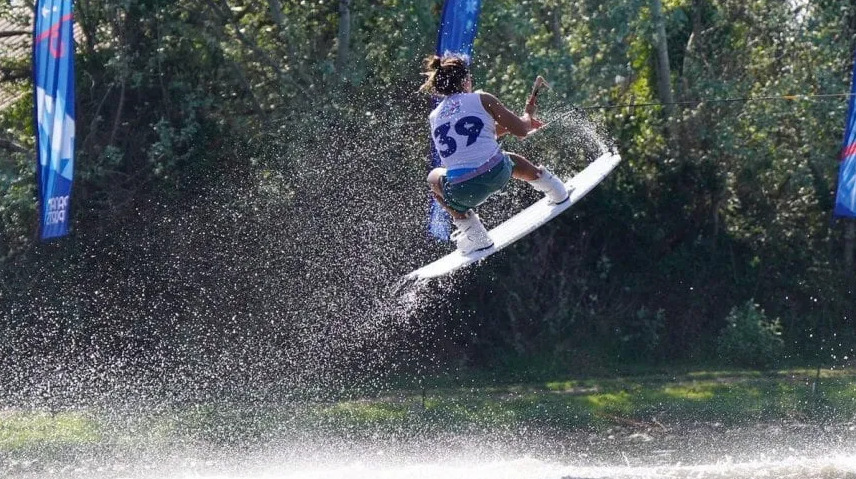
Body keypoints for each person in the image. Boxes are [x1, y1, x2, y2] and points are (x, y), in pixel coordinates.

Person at [420, 54, 570, 254]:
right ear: (465, 80)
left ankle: (475, 234)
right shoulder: (482, 99)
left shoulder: (434, 116)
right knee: (510, 160)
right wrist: (527, 115)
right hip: (499, 172)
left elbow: (474, 139)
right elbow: (522, 131)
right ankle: (556, 190)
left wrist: (509, 127)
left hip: (463, 192)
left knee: (433, 178)